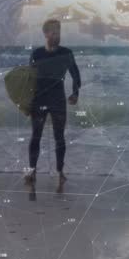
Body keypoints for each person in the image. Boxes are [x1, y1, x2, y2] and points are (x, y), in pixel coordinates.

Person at [24, 18, 81, 185]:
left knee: (59, 137)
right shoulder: (36, 54)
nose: (57, 35)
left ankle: (60, 172)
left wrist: (75, 93)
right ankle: (32, 171)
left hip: (57, 100)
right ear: (46, 34)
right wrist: (26, 101)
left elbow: (75, 74)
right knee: (36, 136)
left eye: (59, 32)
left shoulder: (66, 53)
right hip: (39, 99)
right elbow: (29, 79)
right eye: (54, 32)